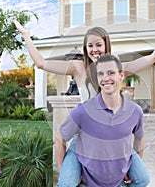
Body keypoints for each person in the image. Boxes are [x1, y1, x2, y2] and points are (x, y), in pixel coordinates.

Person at [13, 16, 155, 186]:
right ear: (85, 48)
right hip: (85, 139)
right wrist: (26, 35)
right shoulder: (78, 67)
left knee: (141, 179)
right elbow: (41, 63)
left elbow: (154, 57)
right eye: (90, 45)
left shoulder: (117, 67)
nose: (94, 50)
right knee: (67, 183)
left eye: (98, 45)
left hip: (114, 139)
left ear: (106, 45)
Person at [58, 55, 148, 186]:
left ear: (121, 75)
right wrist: (62, 170)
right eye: (101, 74)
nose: (105, 78)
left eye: (111, 73)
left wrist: (131, 166)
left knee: (142, 179)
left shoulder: (135, 111)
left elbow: (140, 138)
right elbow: (60, 137)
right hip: (87, 162)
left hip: (117, 165)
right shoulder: (83, 111)